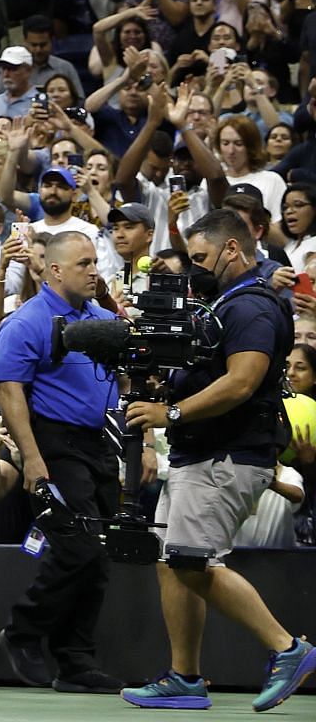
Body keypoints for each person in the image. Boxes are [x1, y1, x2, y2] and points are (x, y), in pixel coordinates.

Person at [122, 209, 316, 712]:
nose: (196, 267)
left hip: (225, 453)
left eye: (202, 257)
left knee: (191, 560)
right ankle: (185, 677)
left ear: (233, 249)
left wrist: (173, 410)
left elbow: (243, 380)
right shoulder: (224, 303)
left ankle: (288, 649)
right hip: (199, 452)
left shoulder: (251, 306)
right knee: (173, 562)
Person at [0, 231, 125, 694]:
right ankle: (24, 630)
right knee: (78, 547)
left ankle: (76, 660)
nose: (93, 270)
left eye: (94, 262)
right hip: (53, 442)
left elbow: (119, 382)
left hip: (99, 442)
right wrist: (31, 457)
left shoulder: (102, 318)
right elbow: (9, 390)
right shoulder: (26, 321)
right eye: (83, 263)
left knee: (98, 554)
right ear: (55, 270)